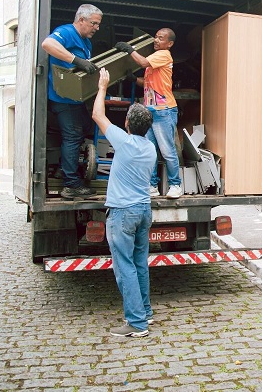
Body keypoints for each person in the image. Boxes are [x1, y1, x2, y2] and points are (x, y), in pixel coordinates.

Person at [92, 68, 157, 338]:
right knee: (139, 263)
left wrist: (103, 87)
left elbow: (98, 115)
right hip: (143, 211)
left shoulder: (124, 142)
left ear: (128, 125)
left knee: (125, 267)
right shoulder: (149, 147)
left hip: (123, 214)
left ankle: (137, 324)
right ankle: (146, 313)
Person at [41, 4, 101, 199]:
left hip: (77, 100)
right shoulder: (65, 32)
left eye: (98, 25)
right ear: (81, 20)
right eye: (94, 23)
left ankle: (63, 170)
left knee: (82, 130)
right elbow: (47, 45)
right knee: (72, 137)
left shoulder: (86, 42)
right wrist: (76, 60)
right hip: (63, 98)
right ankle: (71, 185)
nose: (96, 28)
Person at [115, 28, 182, 198]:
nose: (157, 40)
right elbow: (147, 82)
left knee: (167, 151)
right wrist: (133, 79)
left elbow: (143, 63)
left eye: (161, 38)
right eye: (156, 37)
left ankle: (176, 185)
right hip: (151, 110)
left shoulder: (164, 54)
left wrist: (130, 49)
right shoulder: (156, 58)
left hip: (163, 110)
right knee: (150, 150)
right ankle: (152, 186)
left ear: (170, 43)